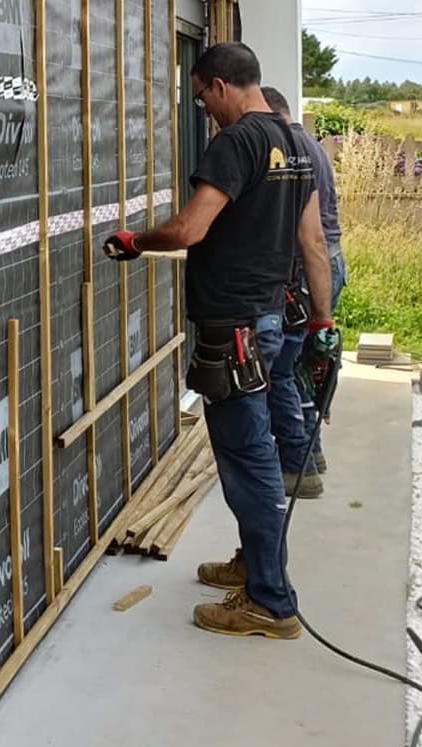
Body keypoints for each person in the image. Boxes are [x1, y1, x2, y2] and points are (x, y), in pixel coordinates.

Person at [104, 42, 334, 639]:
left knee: (247, 457)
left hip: (231, 326)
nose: (203, 106)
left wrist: (134, 242)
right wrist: (322, 323)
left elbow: (190, 227)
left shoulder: (235, 144)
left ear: (221, 85)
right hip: (269, 319)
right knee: (251, 451)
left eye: (202, 93)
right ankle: (251, 566)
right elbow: (313, 244)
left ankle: (270, 601)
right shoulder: (296, 144)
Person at [261, 86, 344, 493]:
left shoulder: (290, 149)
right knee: (301, 369)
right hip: (325, 265)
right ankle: (312, 453)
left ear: (273, 113)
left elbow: (305, 234)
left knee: (283, 373)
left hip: (310, 272)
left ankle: (299, 468)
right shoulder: (308, 143)